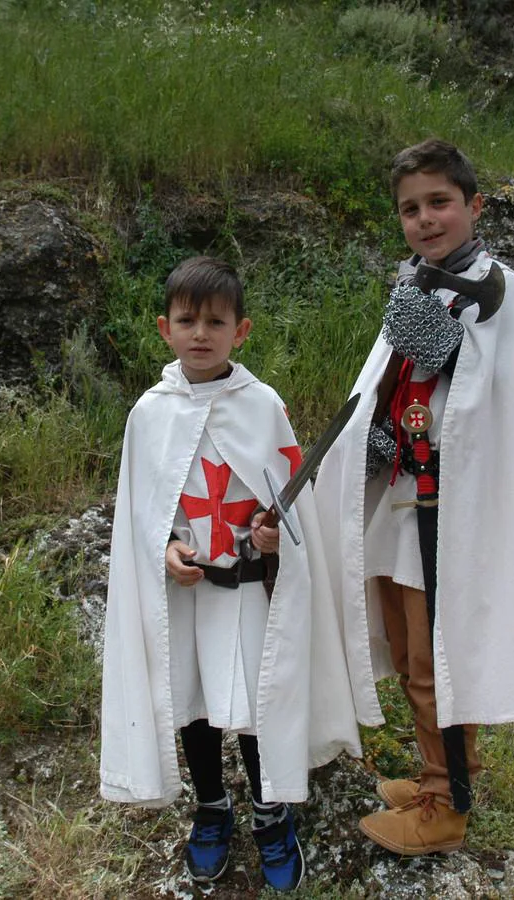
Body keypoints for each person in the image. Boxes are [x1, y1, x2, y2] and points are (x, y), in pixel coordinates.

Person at [313, 139, 514, 855]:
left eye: (439, 203)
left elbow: (488, 397)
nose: (426, 219)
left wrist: (441, 345)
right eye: (410, 209)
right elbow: (394, 389)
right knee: (406, 648)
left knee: (436, 657)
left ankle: (445, 807)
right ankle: (442, 771)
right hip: (404, 490)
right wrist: (372, 442)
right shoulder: (420, 283)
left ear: (473, 206)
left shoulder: (500, 290)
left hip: (453, 505)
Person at [99, 256, 360, 891]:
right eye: (187, 320)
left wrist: (274, 541)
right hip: (185, 594)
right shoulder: (149, 413)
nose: (200, 333)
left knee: (248, 707)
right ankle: (211, 808)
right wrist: (163, 551)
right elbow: (140, 512)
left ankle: (271, 813)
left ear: (240, 331)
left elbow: (293, 505)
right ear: (164, 328)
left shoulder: (263, 406)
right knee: (193, 707)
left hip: (245, 595)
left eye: (216, 321)